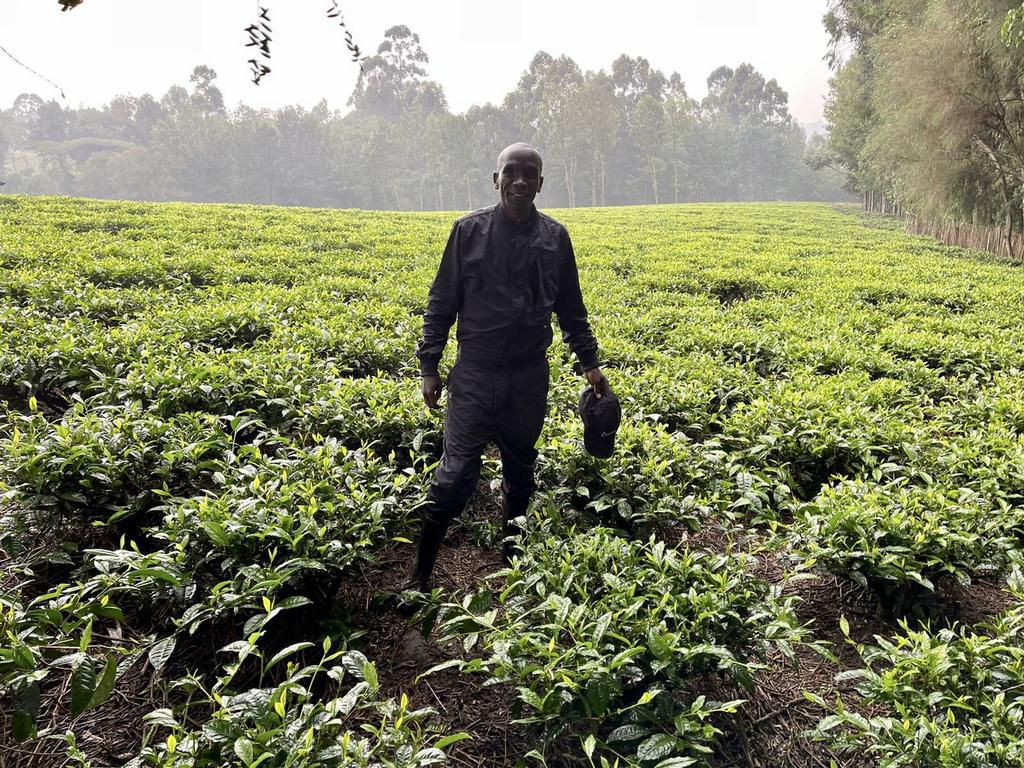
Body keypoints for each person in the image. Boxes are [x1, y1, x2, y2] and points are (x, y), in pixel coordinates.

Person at [404, 142, 610, 594]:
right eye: (510, 172)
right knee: (455, 475)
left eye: (529, 174)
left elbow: (571, 309)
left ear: (541, 182)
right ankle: (419, 574)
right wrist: (429, 365)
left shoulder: (556, 239)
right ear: (496, 179)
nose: (519, 181)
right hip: (475, 375)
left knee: (520, 470)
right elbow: (442, 303)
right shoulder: (468, 232)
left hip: (527, 377)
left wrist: (590, 363)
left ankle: (511, 562)